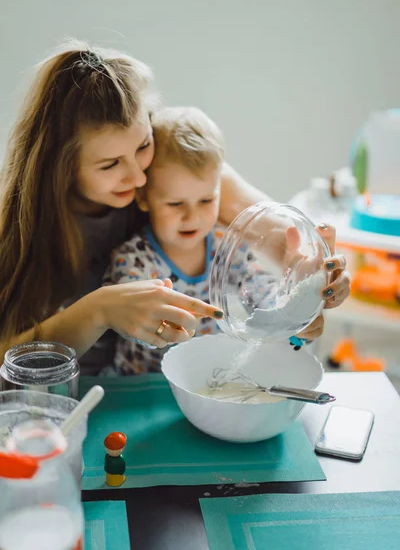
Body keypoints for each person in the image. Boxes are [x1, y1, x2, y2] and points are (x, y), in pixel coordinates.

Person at [0, 39, 350, 375]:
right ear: (58, 168)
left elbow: (280, 237)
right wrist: (98, 310)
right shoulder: (20, 224)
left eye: (143, 145)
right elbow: (7, 359)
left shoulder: (167, 167)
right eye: (110, 165)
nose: (139, 177)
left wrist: (313, 279)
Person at [104, 106, 347, 375]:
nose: (192, 216)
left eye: (206, 200)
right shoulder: (132, 260)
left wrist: (298, 302)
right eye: (175, 204)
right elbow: (132, 327)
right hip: (145, 387)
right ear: (143, 198)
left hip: (205, 382)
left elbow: (264, 299)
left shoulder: (226, 245)